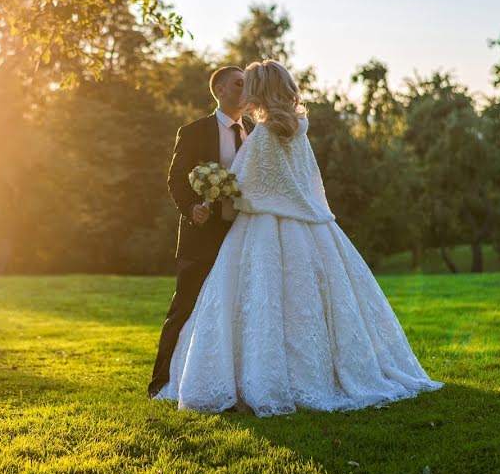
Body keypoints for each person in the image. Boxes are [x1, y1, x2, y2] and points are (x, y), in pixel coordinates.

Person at [154, 60, 444, 415]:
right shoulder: (296, 128)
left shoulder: (260, 134)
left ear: (262, 89)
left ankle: (265, 379)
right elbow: (305, 182)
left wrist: (222, 188)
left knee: (262, 303)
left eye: (251, 85)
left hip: (260, 230)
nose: (246, 92)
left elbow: (245, 187)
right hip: (306, 227)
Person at [148, 66, 255, 398]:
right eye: (240, 84)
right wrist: (192, 207)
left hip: (245, 234)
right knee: (185, 306)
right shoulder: (193, 131)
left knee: (239, 309)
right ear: (220, 90)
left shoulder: (255, 131)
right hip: (202, 235)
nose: (246, 89)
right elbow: (176, 179)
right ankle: (161, 382)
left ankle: (229, 381)